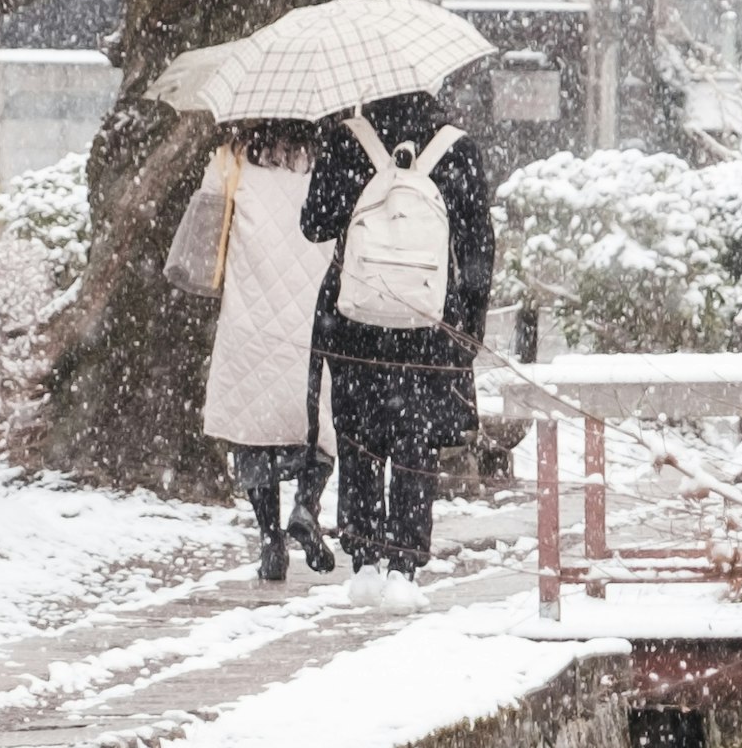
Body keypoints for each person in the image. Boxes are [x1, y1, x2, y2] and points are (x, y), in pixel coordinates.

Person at [302, 88, 494, 581]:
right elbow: (477, 250)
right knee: (417, 441)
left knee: (359, 438)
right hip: (427, 320)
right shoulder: (457, 147)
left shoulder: (348, 140)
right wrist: (468, 326)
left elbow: (314, 225)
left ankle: (364, 559)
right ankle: (405, 564)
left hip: (355, 320)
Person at [164, 117, 340, 581]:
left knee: (251, 429)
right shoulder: (327, 161)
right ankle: (306, 506)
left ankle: (270, 541)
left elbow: (207, 227)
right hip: (311, 315)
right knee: (318, 424)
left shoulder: (233, 159)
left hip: (250, 316)